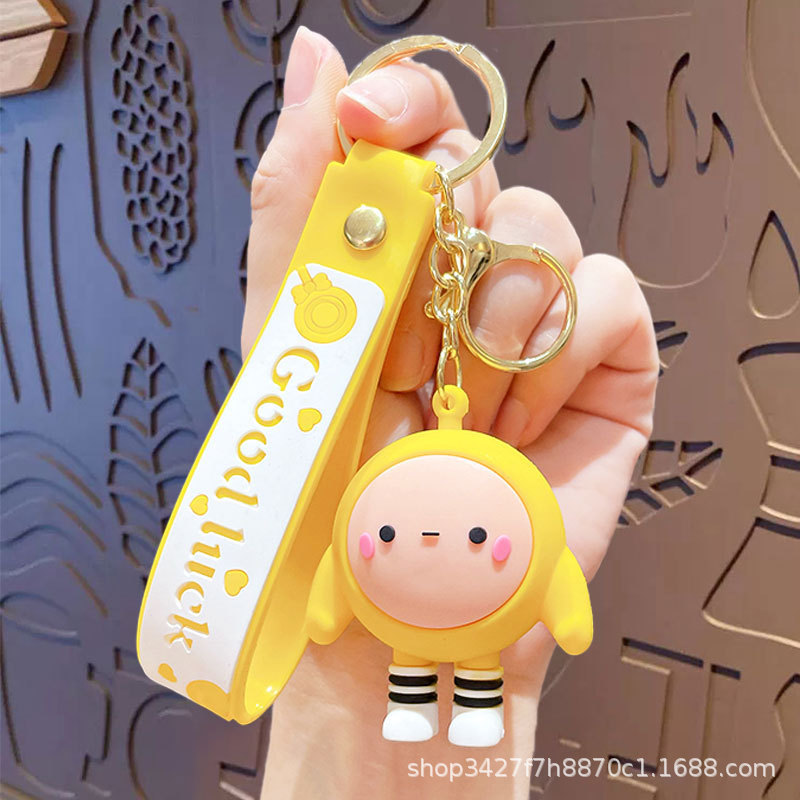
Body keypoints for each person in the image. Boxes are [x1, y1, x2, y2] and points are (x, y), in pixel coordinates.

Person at [246, 25, 658, 800]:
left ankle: (439, 710)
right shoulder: (389, 526)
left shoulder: (512, 532)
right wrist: (335, 665)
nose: (434, 542)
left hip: (461, 649)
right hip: (387, 643)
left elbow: (549, 584)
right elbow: (336, 587)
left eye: (472, 538)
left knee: (464, 672)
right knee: (431, 672)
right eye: (392, 538)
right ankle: (411, 708)